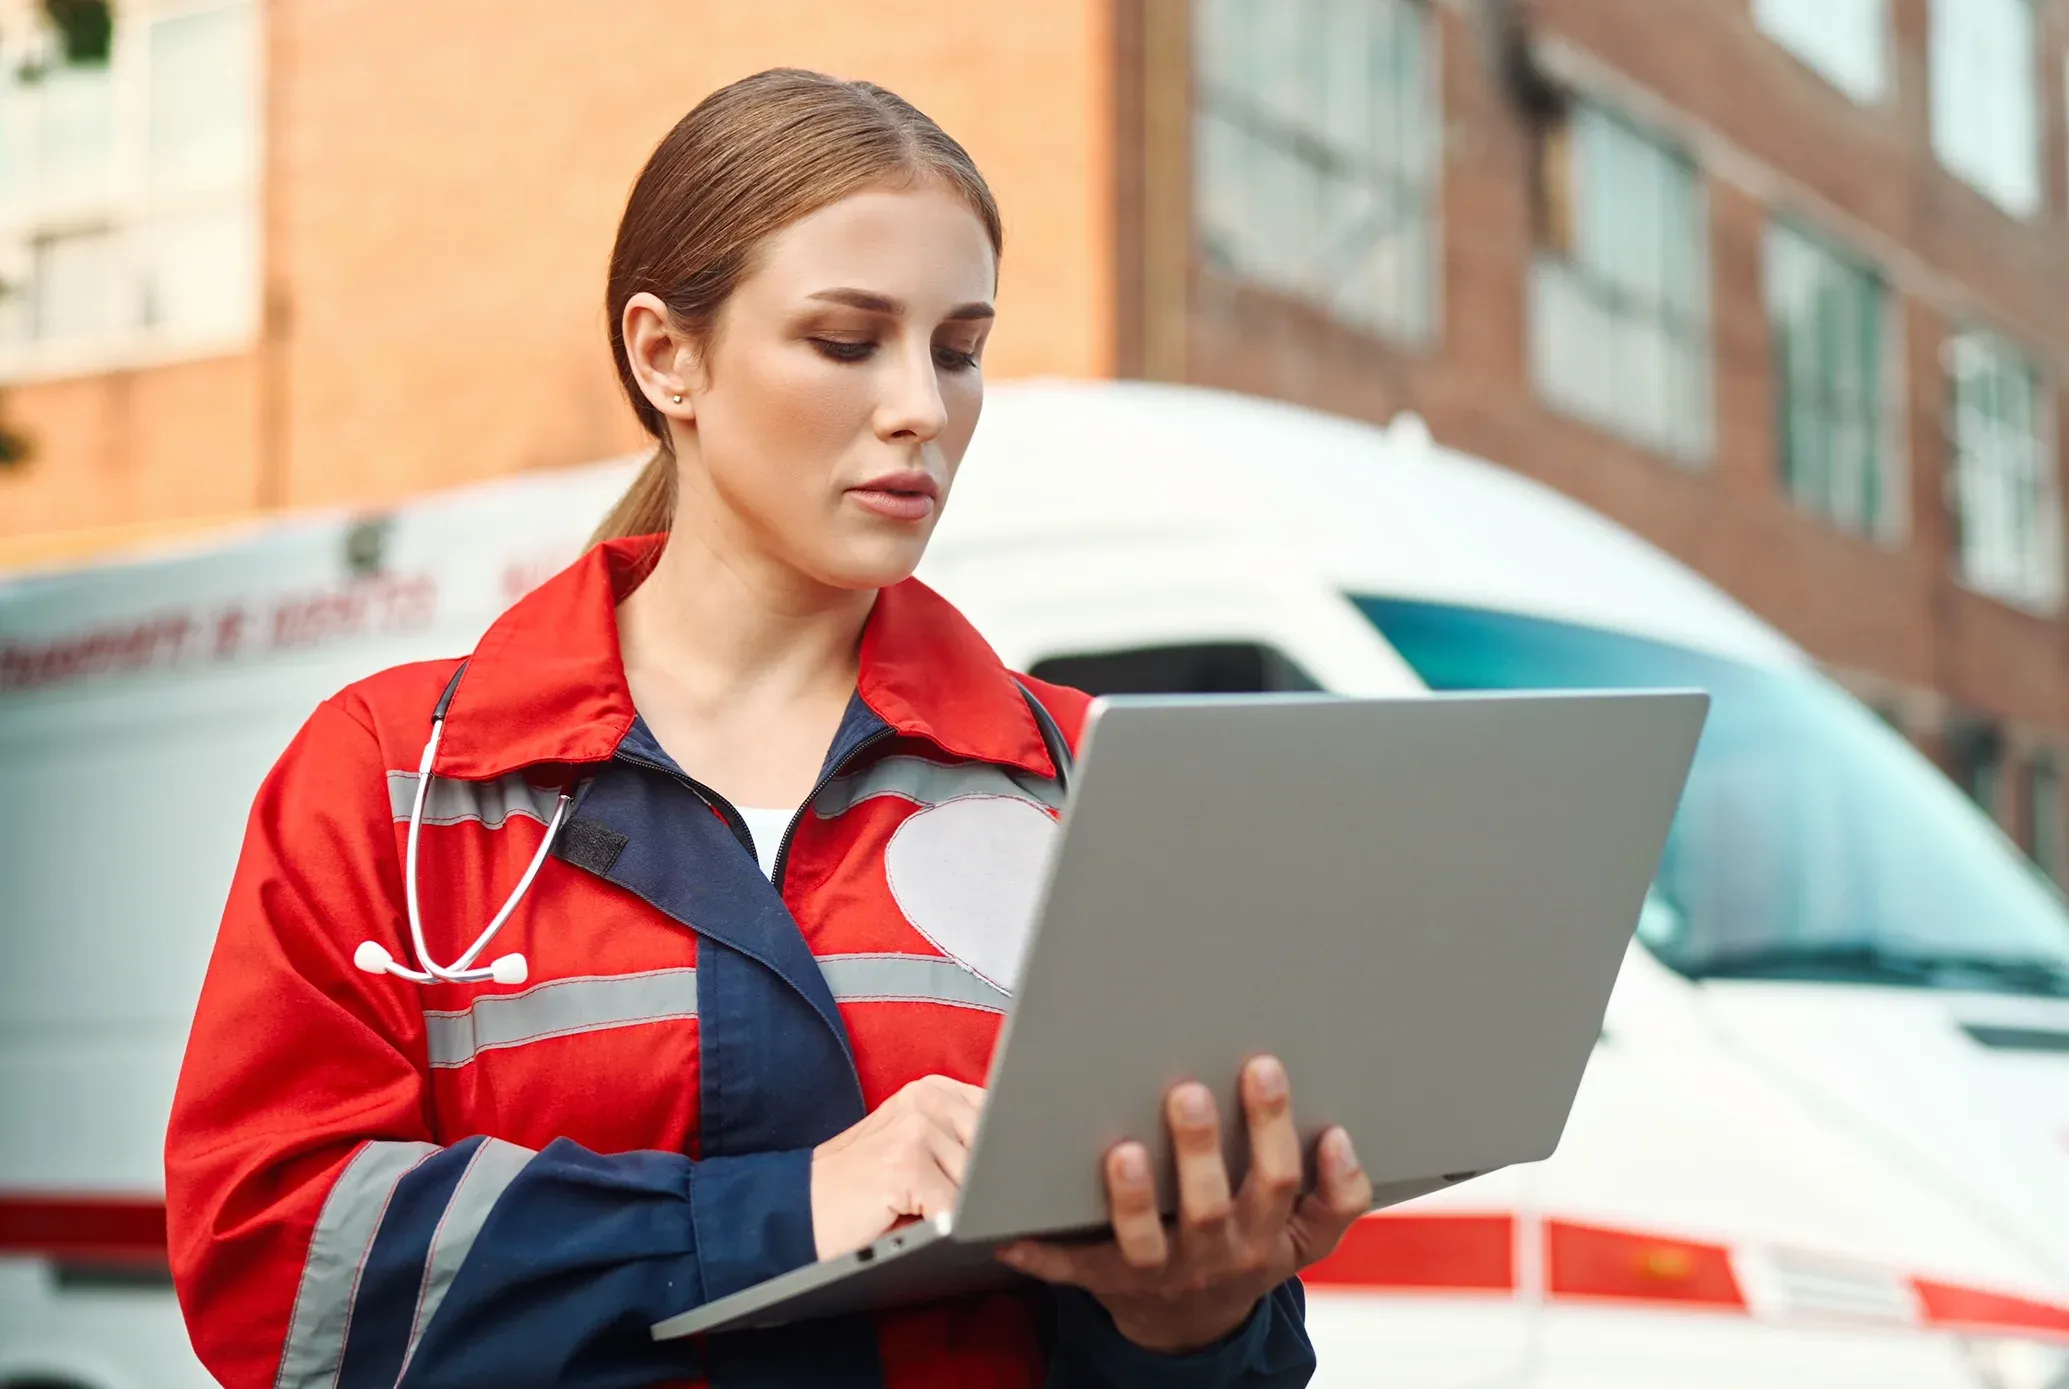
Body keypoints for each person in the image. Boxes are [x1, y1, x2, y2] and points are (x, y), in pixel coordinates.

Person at [164, 68, 1373, 1389]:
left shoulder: (1087, 783)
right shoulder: (397, 782)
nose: (921, 403)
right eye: (848, 341)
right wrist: (790, 1215)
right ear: (665, 354)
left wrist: (1190, 1323)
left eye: (959, 350)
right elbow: (277, 1274)